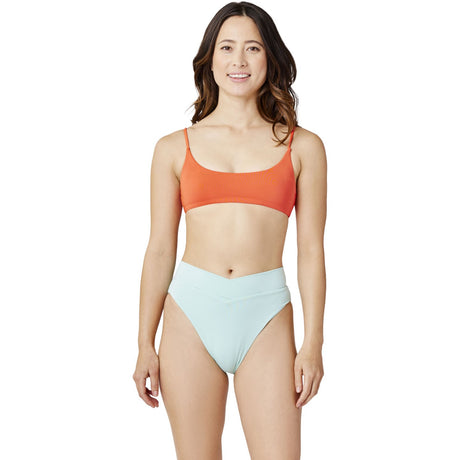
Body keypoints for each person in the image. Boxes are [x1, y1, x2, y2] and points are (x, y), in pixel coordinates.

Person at [133, 2, 327, 459]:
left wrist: (313, 343)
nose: (239, 60)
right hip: (190, 313)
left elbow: (311, 251)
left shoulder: (303, 146)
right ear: (210, 59)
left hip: (266, 313)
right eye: (227, 48)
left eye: (253, 48)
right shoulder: (173, 148)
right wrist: (144, 342)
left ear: (270, 57)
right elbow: (159, 249)